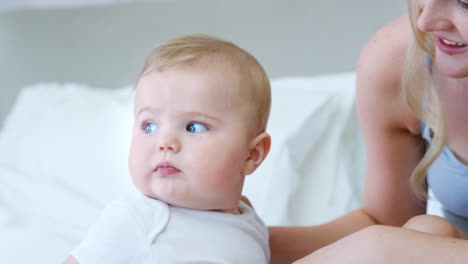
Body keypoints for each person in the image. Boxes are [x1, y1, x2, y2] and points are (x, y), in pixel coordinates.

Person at [269, 0, 468, 263]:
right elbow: (386, 224)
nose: (425, 21)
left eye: (464, 4)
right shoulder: (403, 60)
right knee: (428, 230)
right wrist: (243, 235)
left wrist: (385, 249)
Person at [64, 34, 272, 263]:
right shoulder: (138, 218)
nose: (164, 142)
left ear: (252, 155)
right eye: (149, 126)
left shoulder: (247, 221)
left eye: (193, 127)